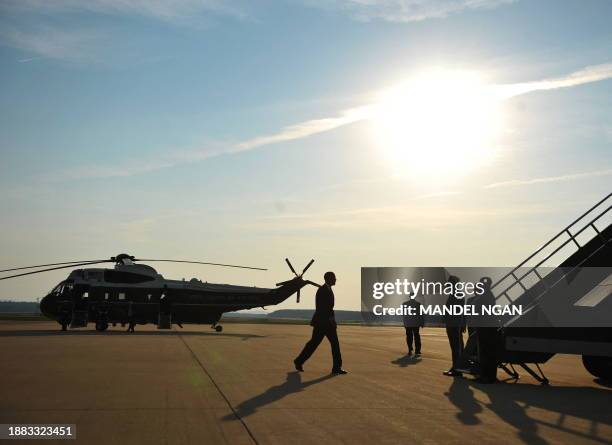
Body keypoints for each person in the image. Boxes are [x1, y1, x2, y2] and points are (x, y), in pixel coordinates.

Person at [294, 271, 347, 375]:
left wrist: (332, 321)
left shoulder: (327, 289)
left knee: (333, 344)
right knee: (314, 344)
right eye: (334, 278)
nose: (336, 280)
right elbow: (322, 308)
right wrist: (329, 320)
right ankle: (299, 361)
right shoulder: (322, 290)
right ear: (329, 279)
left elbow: (329, 308)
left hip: (327, 323)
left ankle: (336, 368)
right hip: (322, 323)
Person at [443, 275, 466, 377]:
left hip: (454, 324)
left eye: (450, 282)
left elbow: (460, 311)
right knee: (457, 347)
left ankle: (457, 369)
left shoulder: (457, 294)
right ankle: (457, 367)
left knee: (456, 347)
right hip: (454, 324)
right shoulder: (455, 294)